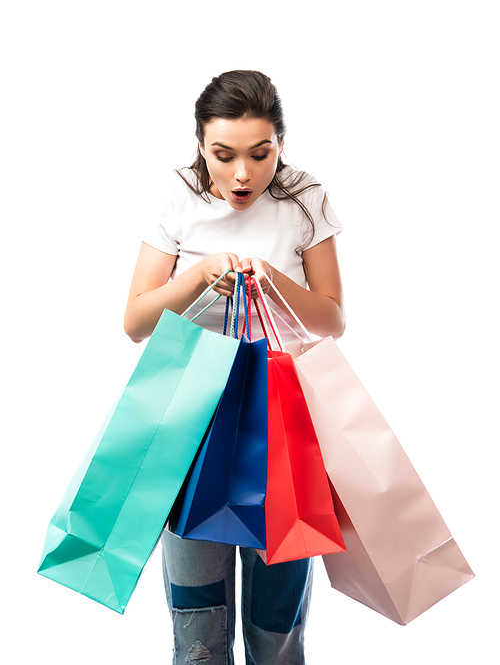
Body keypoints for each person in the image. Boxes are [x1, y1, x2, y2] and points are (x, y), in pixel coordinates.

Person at [124, 70, 345, 665]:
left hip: (283, 420)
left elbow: (331, 320)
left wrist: (272, 281)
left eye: (260, 153)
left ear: (280, 142)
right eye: (223, 155)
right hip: (191, 417)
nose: (242, 174)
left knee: (279, 622)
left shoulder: (303, 196)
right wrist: (198, 275)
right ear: (201, 145)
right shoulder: (178, 196)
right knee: (198, 623)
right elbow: (136, 322)